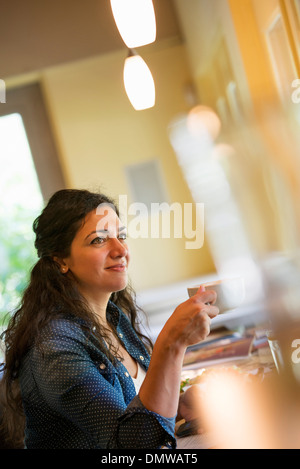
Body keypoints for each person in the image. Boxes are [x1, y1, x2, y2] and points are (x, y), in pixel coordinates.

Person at [0, 189, 218, 449]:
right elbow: (131, 447)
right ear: (60, 259)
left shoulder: (113, 316)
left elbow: (132, 407)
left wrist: (180, 405)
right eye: (98, 240)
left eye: (121, 236)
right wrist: (171, 344)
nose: (121, 249)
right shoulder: (54, 347)